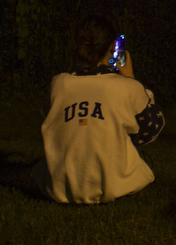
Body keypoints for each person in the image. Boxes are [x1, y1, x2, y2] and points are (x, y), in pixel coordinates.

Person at [33, 13, 164, 204]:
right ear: (112, 46)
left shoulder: (58, 84)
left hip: (59, 187)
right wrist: (130, 79)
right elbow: (151, 129)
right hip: (113, 186)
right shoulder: (125, 87)